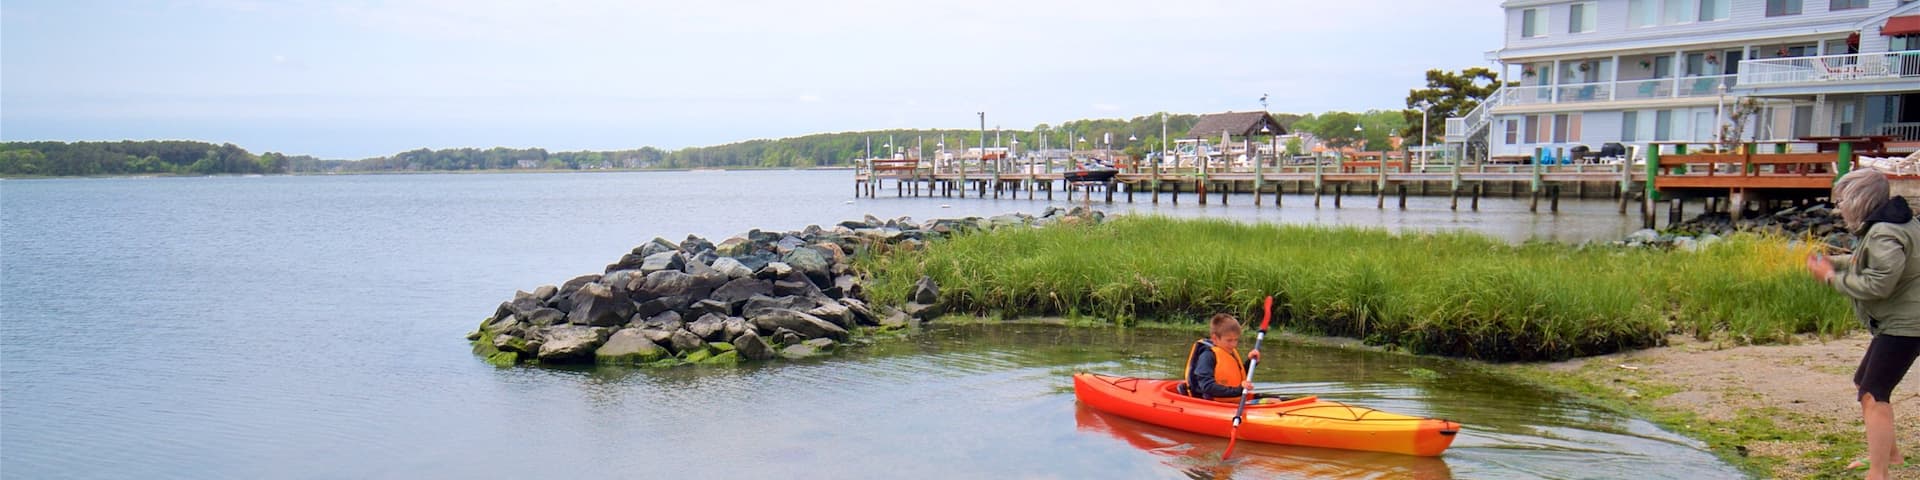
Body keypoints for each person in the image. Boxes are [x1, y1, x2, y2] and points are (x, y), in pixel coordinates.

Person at [1806, 169, 1920, 479]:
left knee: (1874, 393)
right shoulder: (1893, 222)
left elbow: (1878, 284)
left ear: (1858, 200)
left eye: (1841, 200)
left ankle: (1879, 473)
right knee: (1865, 383)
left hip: (1907, 324)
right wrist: (1836, 262)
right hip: (1900, 321)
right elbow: (1870, 262)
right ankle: (1890, 456)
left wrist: (1830, 278)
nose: (1838, 206)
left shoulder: (1884, 231)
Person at [1183, 313, 1264, 402]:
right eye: (1229, 340)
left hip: (1235, 401)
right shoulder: (1207, 356)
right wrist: (1239, 390)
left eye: (1236, 339)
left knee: (1278, 400)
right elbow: (1207, 386)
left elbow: (1236, 375)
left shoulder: (1229, 351)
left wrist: (1251, 362)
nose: (1234, 344)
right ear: (1215, 338)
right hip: (1216, 404)